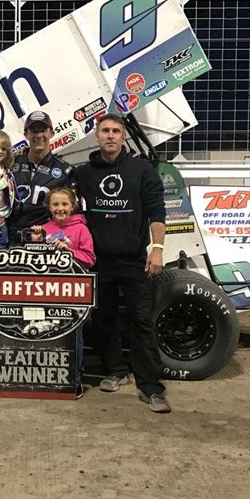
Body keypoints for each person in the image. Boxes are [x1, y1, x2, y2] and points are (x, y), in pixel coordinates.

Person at [77, 113, 171, 413]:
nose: (111, 135)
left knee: (140, 322)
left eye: (116, 131)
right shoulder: (83, 173)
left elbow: (157, 212)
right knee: (103, 321)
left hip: (134, 262)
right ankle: (116, 370)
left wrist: (156, 248)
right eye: (105, 130)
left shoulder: (141, 170)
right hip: (98, 262)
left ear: (123, 136)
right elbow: (65, 210)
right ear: (97, 135)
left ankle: (151, 387)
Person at [31, 186, 96, 399]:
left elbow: (90, 259)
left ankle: (75, 379)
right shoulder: (44, 228)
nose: (60, 208)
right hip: (47, 292)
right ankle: (47, 378)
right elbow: (35, 261)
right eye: (56, 204)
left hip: (74, 293)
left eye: (64, 204)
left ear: (73, 206)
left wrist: (70, 252)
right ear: (49, 207)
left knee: (73, 335)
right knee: (45, 332)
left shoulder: (81, 230)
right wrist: (36, 242)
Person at [0, 110, 77, 244]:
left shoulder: (66, 171)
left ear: (51, 133)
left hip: (46, 240)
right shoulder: (9, 163)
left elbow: (72, 213)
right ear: (26, 134)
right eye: (34, 131)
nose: (39, 135)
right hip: (9, 240)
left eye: (43, 130)